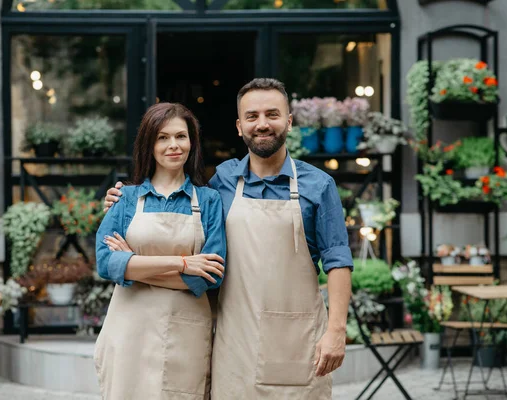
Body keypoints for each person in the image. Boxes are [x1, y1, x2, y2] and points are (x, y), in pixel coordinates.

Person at [103, 78, 352, 399]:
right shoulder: (222, 180)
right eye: (252, 116)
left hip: (296, 342)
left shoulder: (318, 185)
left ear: (289, 121)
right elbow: (172, 205)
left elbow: (338, 260)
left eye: (272, 114)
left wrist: (336, 331)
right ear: (239, 126)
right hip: (231, 344)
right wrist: (122, 200)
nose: (262, 124)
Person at [94, 102, 226, 400]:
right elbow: (105, 263)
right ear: (149, 145)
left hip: (184, 332)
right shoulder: (125, 198)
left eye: (181, 136)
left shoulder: (208, 201)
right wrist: (182, 264)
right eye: (162, 137)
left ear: (192, 142)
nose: (173, 145)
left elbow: (210, 277)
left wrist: (135, 265)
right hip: (130, 331)